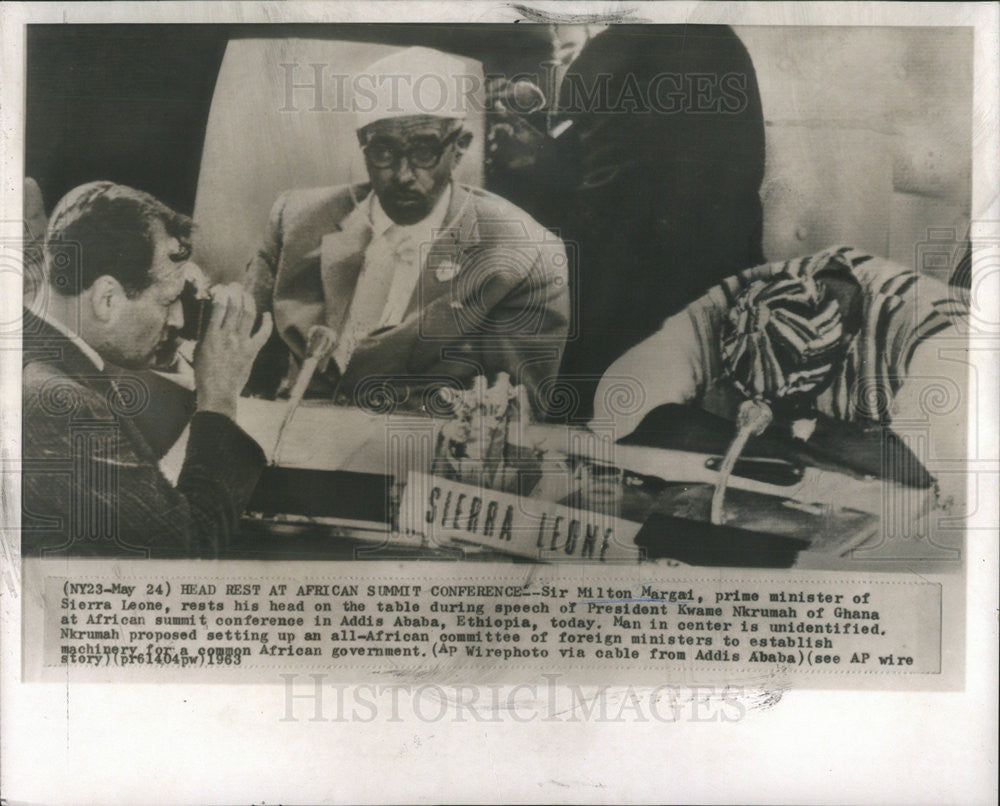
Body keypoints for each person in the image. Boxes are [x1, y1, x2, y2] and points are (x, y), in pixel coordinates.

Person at [245, 46, 570, 414]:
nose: (402, 174)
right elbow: (242, 368)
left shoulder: (526, 253)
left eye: (424, 151)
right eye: (384, 151)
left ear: (460, 146)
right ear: (362, 147)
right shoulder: (296, 219)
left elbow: (513, 419)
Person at [593, 246, 968, 511]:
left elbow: (938, 485)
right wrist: (789, 442)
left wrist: (804, 433)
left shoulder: (936, 342)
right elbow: (618, 405)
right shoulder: (751, 298)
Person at [22, 181, 273, 557]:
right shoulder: (59, 401)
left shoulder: (45, 359)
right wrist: (219, 398)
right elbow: (187, 550)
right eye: (168, 300)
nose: (177, 318)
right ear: (107, 299)